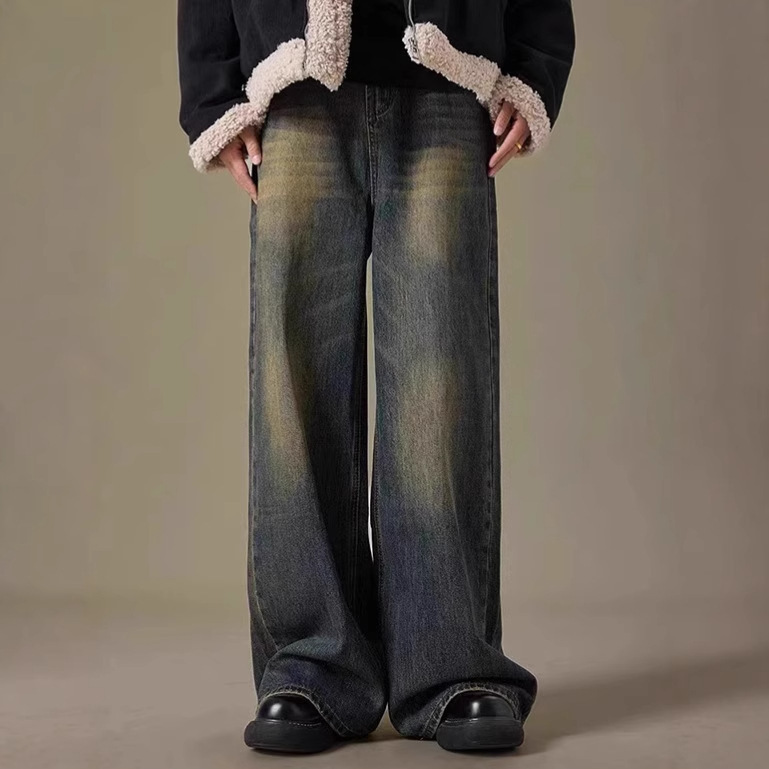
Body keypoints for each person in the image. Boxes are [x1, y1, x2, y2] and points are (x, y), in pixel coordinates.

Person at [176, 0, 575, 754]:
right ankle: (311, 668)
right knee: (294, 391)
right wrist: (211, 96)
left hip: (449, 79)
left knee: (441, 390)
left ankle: (452, 667)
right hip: (293, 84)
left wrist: (535, 68)